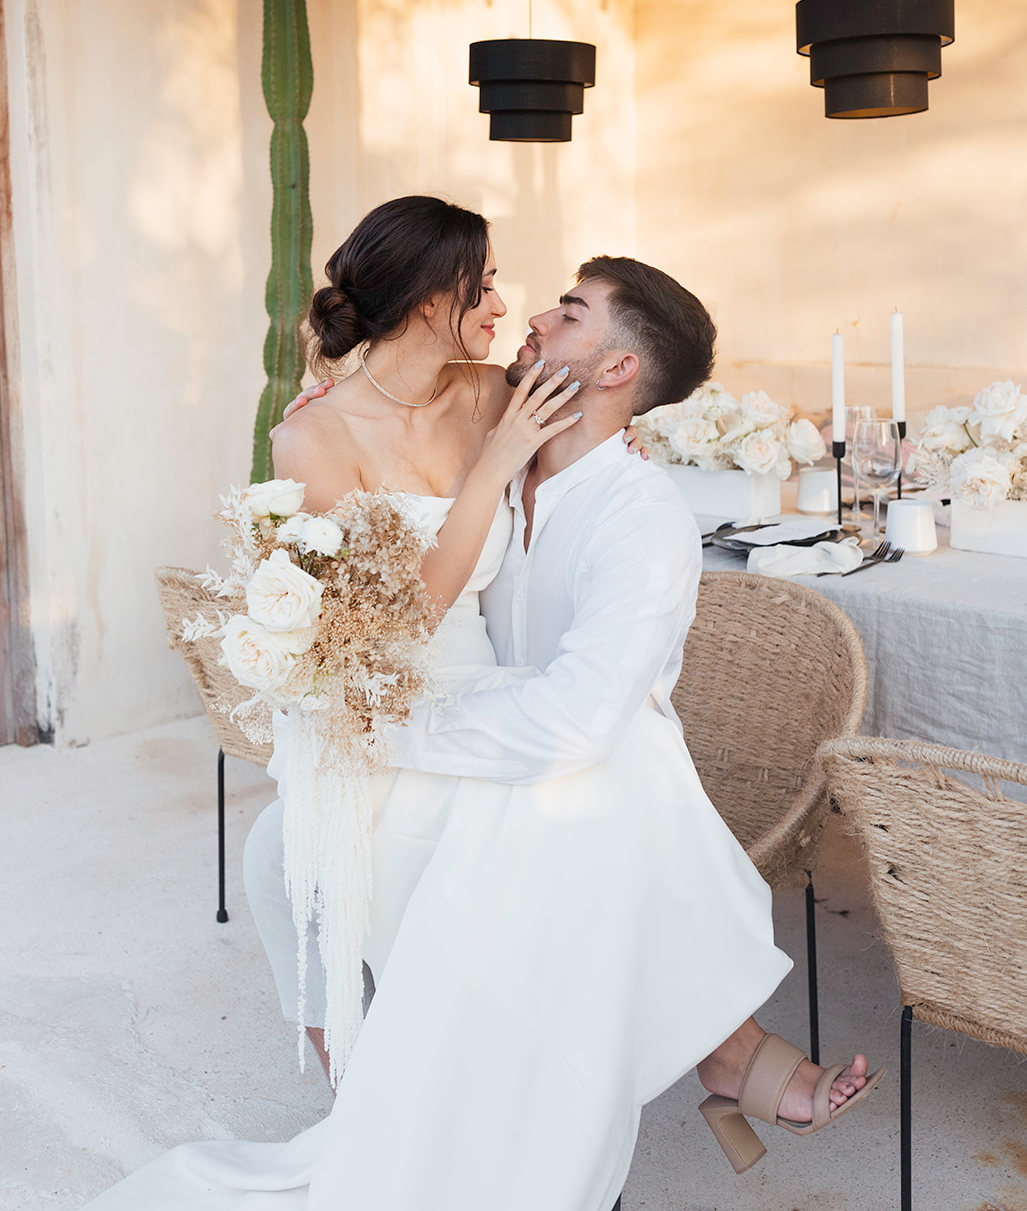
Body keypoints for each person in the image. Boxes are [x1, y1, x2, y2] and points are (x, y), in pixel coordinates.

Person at [84, 197, 878, 1211]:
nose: (511, 309)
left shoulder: (499, 401)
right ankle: (731, 1054)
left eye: (538, 300)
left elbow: (594, 400)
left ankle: (719, 1056)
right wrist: (492, 467)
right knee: (612, 768)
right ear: (428, 300)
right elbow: (399, 619)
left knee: (608, 758)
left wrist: (604, 446)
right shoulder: (327, 438)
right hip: (384, 705)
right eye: (486, 287)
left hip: (472, 704)